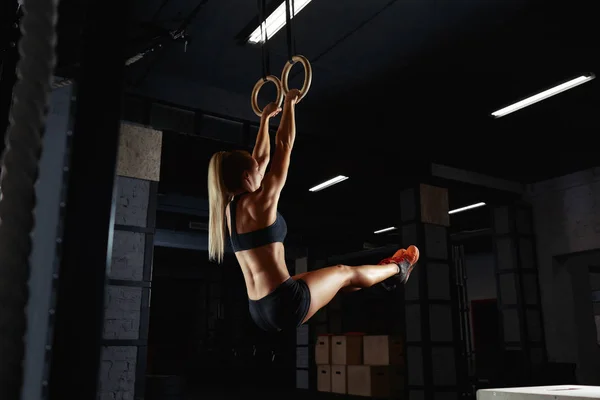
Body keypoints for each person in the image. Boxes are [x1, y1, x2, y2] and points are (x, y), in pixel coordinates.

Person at [207, 88, 420, 332]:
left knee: (338, 278)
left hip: (259, 308)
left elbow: (262, 157)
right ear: (246, 178)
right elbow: (284, 145)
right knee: (344, 273)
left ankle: (386, 275)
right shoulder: (261, 200)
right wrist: (290, 104)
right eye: (256, 169)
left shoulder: (228, 209)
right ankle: (398, 268)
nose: (261, 168)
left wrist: (264, 121)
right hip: (284, 303)